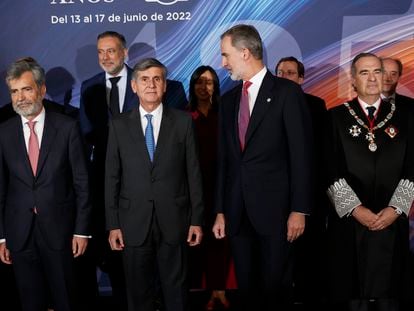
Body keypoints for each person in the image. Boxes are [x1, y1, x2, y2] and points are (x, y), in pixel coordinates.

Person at [212, 24, 313, 311]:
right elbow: (226, 161)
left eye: (225, 55)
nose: (223, 62)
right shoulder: (229, 100)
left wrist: (299, 209)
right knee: (247, 290)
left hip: (277, 213)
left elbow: (301, 156)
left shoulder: (286, 93)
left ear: (245, 53)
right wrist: (220, 210)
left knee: (275, 289)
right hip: (237, 211)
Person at [105, 58, 204, 311]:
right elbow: (112, 178)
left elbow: (193, 173)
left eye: (157, 79)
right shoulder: (118, 125)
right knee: (138, 294)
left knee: (177, 293)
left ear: (165, 85)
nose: (151, 85)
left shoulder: (183, 122)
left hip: (175, 220)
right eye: (145, 79)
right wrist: (113, 224)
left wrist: (196, 220)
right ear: (135, 86)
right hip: (133, 222)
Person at [325, 52, 414, 311]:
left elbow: (412, 168)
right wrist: (356, 209)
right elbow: (329, 170)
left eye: (377, 71)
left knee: (390, 295)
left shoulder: (406, 115)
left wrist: (395, 208)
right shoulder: (335, 117)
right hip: (351, 223)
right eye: (365, 72)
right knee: (353, 294)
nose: (374, 78)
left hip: (391, 221)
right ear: (353, 79)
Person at [0, 58, 91, 311]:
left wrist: (81, 231)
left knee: (66, 300)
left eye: (26, 89)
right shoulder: (3, 133)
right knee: (31, 303)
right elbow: (1, 189)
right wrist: (1, 237)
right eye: (15, 91)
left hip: (61, 233)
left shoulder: (67, 127)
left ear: (41, 89)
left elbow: (82, 183)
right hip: (19, 234)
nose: (20, 97)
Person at [79, 30, 136, 310]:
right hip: (103, 182)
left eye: (111, 51)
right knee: (112, 251)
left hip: (141, 182)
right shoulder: (89, 87)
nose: (105, 57)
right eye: (101, 52)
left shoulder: (144, 80)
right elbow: (85, 134)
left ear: (125, 53)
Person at [275, 56, 329, 307]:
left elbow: (321, 153)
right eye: (280, 72)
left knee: (309, 255)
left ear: (300, 78)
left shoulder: (316, 106)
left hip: (310, 195)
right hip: (275, 195)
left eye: (289, 72)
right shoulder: (265, 105)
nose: (284, 76)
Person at [187, 66, 232, 310]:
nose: (204, 87)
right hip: (190, 190)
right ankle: (194, 292)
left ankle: (219, 290)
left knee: (219, 240)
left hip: (220, 186)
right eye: (199, 82)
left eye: (210, 82)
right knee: (193, 240)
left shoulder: (225, 114)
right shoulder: (183, 115)